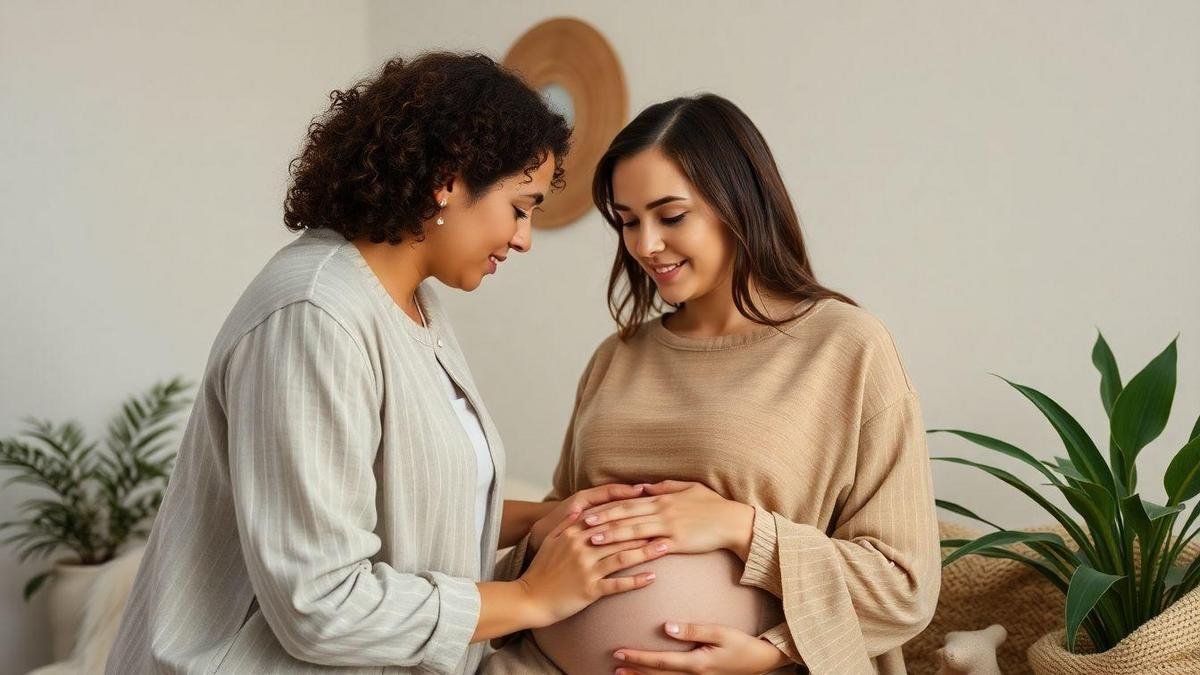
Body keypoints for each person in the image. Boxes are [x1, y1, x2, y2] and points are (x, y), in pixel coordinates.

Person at [106, 52, 671, 675]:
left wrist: (544, 518)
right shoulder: (315, 314)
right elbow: (319, 605)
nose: (523, 238)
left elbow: (404, 507)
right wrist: (532, 598)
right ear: (449, 181)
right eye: (520, 206)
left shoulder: (412, 302)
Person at [487, 94, 942, 675]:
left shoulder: (847, 346)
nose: (645, 244)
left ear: (739, 205)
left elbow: (904, 585)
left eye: (671, 216)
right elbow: (558, 522)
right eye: (627, 221)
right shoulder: (618, 356)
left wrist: (743, 539)